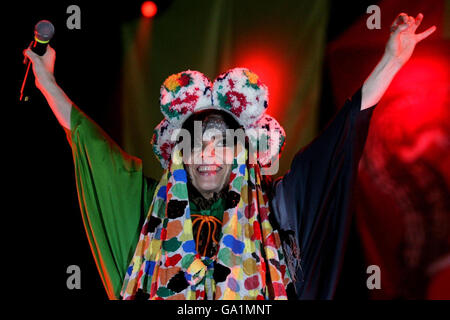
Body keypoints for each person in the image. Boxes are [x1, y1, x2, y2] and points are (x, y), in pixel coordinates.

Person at [24, 13, 435, 300]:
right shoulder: (148, 216)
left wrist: (390, 62)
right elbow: (97, 153)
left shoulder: (278, 213)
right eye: (196, 141)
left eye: (221, 142)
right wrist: (47, 84)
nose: (206, 153)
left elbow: (336, 148)